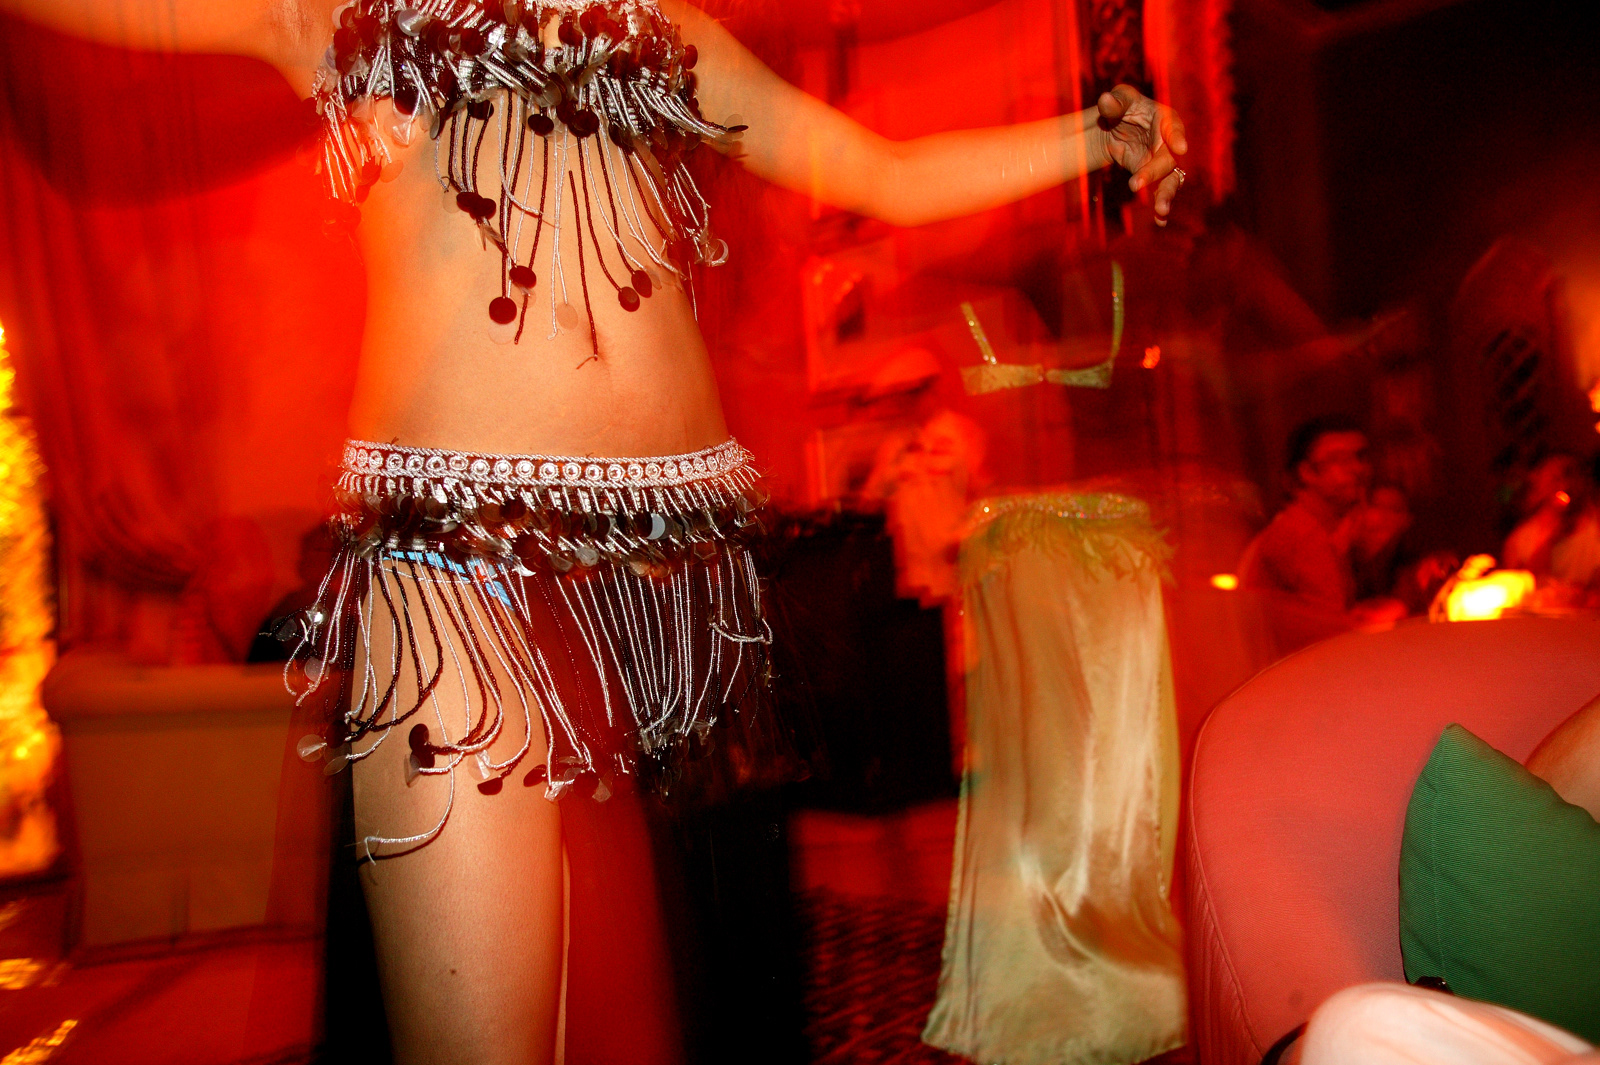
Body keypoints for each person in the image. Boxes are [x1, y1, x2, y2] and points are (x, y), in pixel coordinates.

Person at [0, 1, 1187, 1061]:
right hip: (463, 584)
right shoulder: (345, 13)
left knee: (654, 1016)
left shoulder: (673, 35)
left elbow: (881, 169)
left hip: (668, 602)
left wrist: (1097, 134)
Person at [1240, 416, 1406, 654]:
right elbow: (1336, 642)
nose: (1357, 469)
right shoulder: (1301, 534)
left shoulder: (1319, 531)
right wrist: (1400, 606)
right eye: (1339, 459)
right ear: (1307, 472)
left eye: (1361, 456)